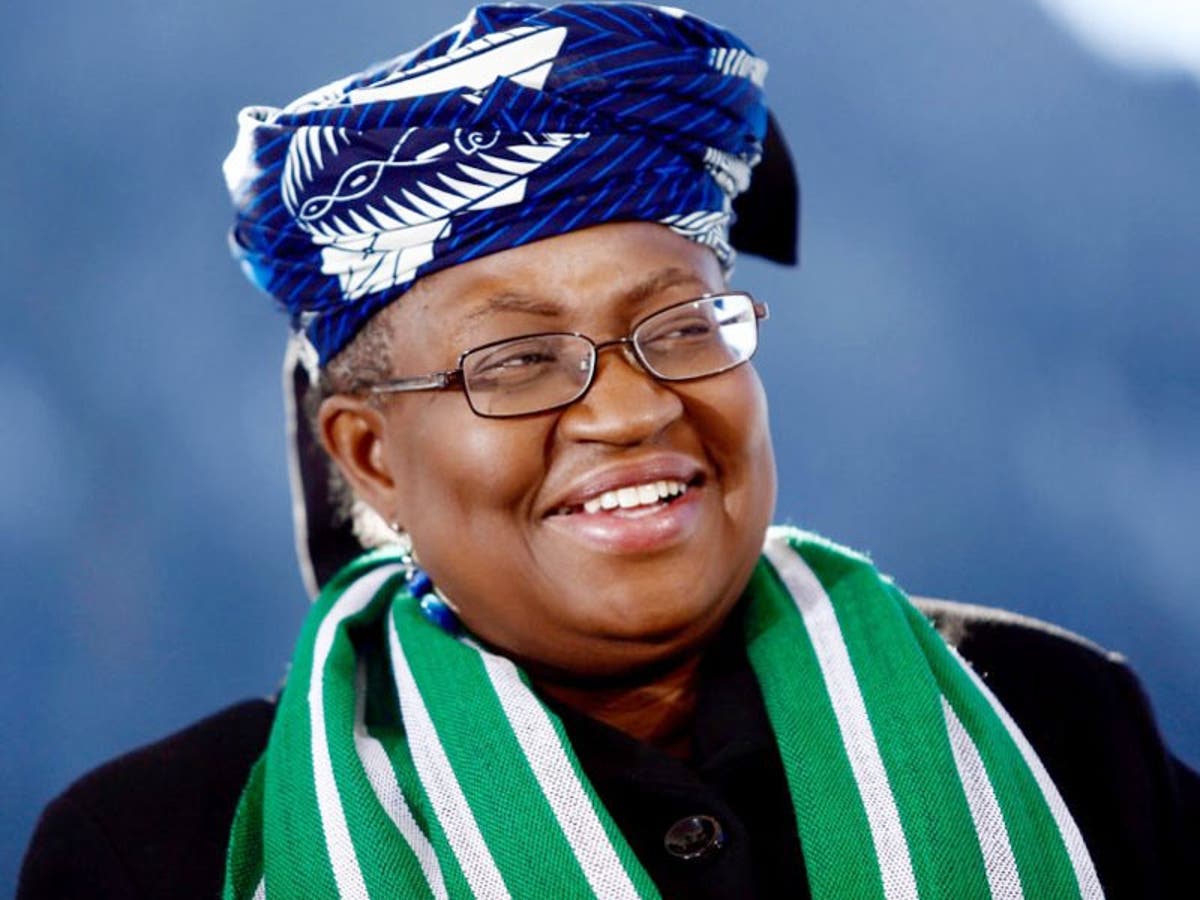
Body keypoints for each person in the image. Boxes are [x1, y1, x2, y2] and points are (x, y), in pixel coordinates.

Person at [18, 4, 1198, 898]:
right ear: (371, 456)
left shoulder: (1051, 721)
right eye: (518, 360)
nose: (632, 411)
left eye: (680, 328)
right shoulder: (163, 848)